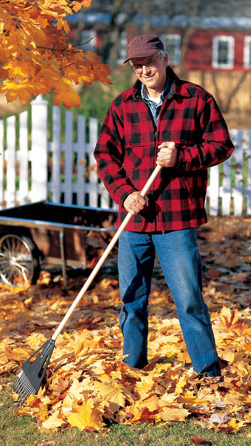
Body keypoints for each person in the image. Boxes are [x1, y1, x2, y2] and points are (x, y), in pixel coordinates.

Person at [94, 34, 234, 378]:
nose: (144, 70)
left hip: (177, 218)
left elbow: (221, 145)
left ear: (165, 58)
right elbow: (105, 155)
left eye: (150, 62)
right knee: (132, 300)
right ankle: (132, 368)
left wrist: (182, 157)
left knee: (188, 300)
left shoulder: (196, 99)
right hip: (134, 220)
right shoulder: (122, 105)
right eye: (137, 65)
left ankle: (207, 372)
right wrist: (125, 193)